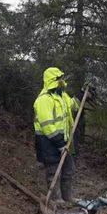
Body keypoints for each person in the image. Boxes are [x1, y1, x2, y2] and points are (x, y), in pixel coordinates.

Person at [33, 67, 80, 204]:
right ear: (51, 81)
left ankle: (68, 197)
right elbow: (47, 125)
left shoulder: (62, 96)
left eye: (62, 79)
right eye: (58, 79)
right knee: (54, 171)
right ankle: (56, 200)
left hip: (63, 140)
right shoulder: (44, 100)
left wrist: (83, 95)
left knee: (68, 168)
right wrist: (59, 144)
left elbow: (74, 105)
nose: (62, 82)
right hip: (48, 141)